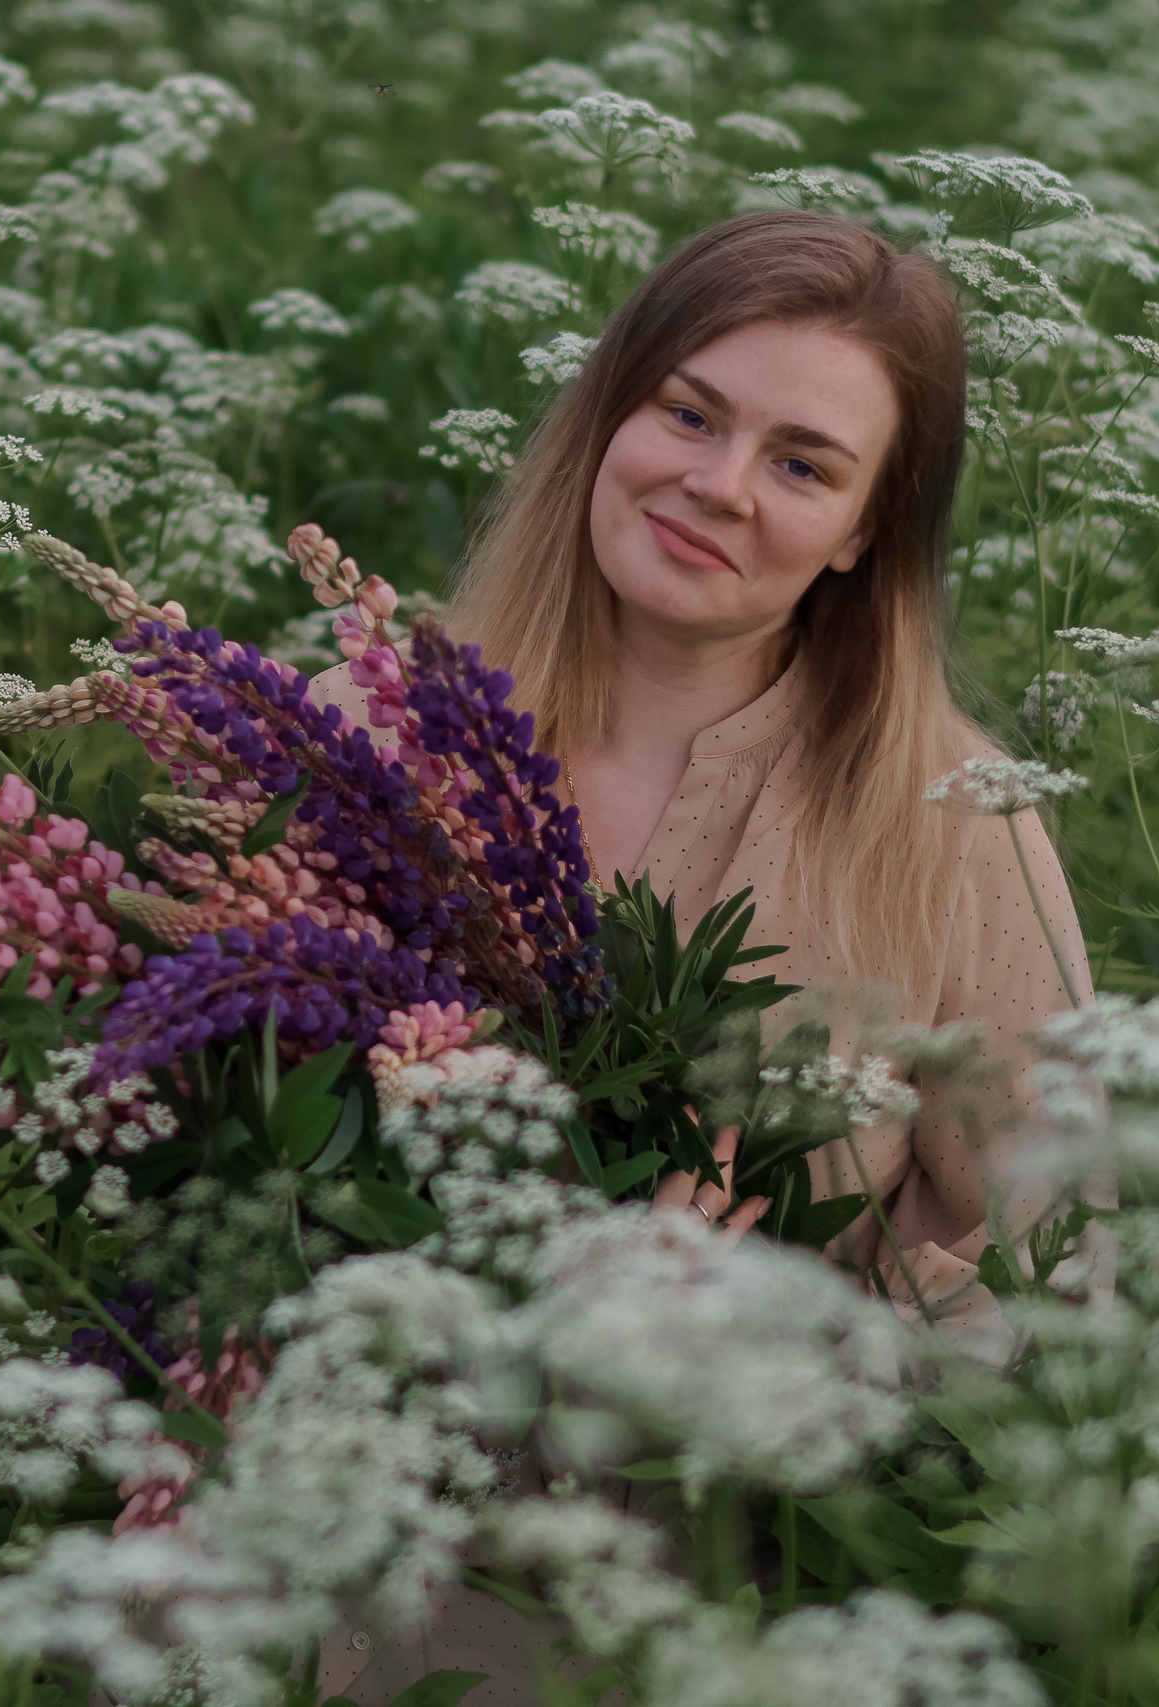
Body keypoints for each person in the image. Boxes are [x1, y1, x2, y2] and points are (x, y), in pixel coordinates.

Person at [310, 208, 1095, 1705]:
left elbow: (1064, 1273)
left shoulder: (956, 829)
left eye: (803, 464)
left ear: (870, 530)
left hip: (721, 1622)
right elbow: (195, 1165)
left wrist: (768, 1359)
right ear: (612, 409)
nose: (719, 487)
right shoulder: (361, 743)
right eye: (689, 412)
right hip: (308, 1585)